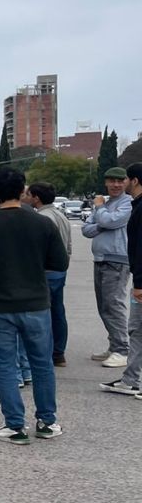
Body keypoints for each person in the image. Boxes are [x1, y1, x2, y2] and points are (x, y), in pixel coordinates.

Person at [0, 168, 67, 445]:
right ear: (23, 191)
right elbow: (60, 262)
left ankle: (14, 425)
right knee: (42, 364)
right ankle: (47, 421)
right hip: (36, 302)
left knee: (6, 366)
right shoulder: (42, 223)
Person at [83, 166, 133, 368]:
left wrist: (101, 213)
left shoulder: (128, 203)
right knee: (104, 306)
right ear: (106, 182)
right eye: (112, 181)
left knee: (113, 305)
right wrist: (102, 222)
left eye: (120, 181)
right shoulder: (105, 203)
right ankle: (114, 346)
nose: (116, 184)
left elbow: (110, 221)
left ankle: (122, 350)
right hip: (101, 258)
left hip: (118, 260)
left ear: (127, 182)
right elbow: (86, 229)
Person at [100, 163, 142, 396]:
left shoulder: (136, 206)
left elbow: (140, 247)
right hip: (134, 273)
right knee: (137, 330)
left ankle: (128, 370)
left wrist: (139, 284)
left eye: (124, 179)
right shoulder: (135, 205)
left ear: (133, 181)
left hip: (135, 275)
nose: (119, 184)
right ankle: (130, 379)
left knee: (136, 326)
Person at [25, 182, 72, 367]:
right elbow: (68, 245)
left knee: (42, 313)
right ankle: (58, 352)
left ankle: (45, 352)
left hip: (46, 271)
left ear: (36, 198)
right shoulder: (60, 215)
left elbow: (39, 249)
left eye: (28, 194)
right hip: (60, 270)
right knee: (57, 311)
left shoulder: (43, 218)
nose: (26, 197)